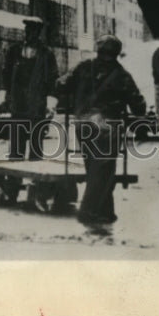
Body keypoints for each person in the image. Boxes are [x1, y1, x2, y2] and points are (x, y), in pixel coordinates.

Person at [57, 35, 146, 227]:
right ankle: (87, 212)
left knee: (94, 169)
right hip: (107, 128)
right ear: (116, 54)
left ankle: (106, 212)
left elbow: (61, 84)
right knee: (103, 171)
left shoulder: (83, 67)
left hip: (83, 125)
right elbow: (139, 105)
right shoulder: (122, 75)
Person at [0, 16, 58, 160]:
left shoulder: (47, 54)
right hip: (18, 105)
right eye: (28, 29)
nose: (30, 33)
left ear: (39, 33)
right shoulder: (14, 51)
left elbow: (52, 82)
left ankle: (36, 181)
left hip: (37, 106)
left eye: (34, 30)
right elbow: (5, 77)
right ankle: (14, 181)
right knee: (16, 147)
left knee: (36, 146)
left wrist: (50, 106)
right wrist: (2, 99)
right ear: (25, 31)